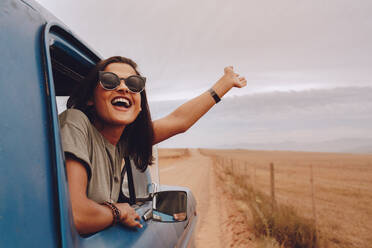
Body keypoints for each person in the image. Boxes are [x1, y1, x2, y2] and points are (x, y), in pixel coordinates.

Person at [60, 56, 247, 234]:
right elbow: (77, 214)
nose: (124, 88)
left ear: (139, 105)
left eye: (134, 84)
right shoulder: (76, 121)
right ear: (89, 98)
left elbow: (179, 121)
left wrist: (225, 84)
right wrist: (117, 211)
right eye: (110, 81)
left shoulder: (120, 144)